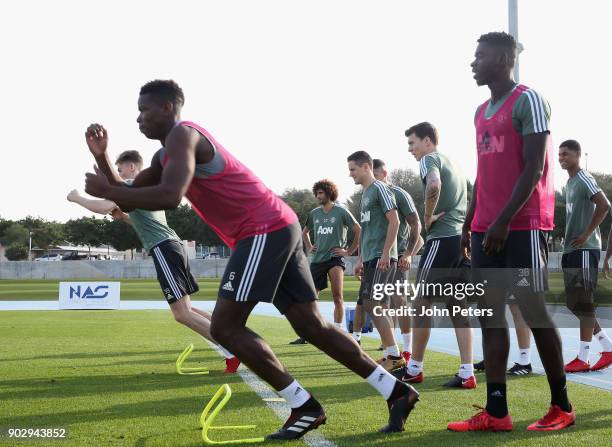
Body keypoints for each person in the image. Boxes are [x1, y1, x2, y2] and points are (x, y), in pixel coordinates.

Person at [84, 79, 419, 439]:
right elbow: (132, 199)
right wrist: (103, 157)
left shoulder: (184, 135)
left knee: (224, 327)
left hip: (262, 228)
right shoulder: (164, 154)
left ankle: (303, 406)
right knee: (311, 326)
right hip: (277, 224)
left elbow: (169, 195)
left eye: (143, 110)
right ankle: (395, 390)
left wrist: (108, 189)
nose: (138, 119)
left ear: (166, 108)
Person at [449, 31, 573, 432]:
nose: (473, 62)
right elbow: (485, 175)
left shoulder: (529, 100)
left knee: (534, 311)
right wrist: (472, 221)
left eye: (480, 56)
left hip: (522, 228)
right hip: (487, 230)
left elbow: (535, 167)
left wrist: (503, 220)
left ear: (502, 59)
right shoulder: (480, 111)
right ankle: (497, 411)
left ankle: (562, 407)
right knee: (490, 316)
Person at [69, 149, 240, 374]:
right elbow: (147, 223)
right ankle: (233, 338)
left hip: (164, 249)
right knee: (188, 309)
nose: (116, 174)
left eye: (118, 169)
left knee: (181, 314)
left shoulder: (129, 184)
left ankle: (234, 351)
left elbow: (102, 207)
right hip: (173, 246)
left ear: (131, 168)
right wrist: (123, 217)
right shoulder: (146, 189)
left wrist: (76, 197)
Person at [399, 122, 475, 389]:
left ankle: (415, 368)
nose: (410, 149)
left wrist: (427, 215)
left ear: (428, 141)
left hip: (442, 238)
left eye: (412, 143)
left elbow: (433, 185)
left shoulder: (429, 159)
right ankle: (467, 372)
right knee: (457, 304)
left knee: (421, 301)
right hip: (458, 239)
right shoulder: (454, 162)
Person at [348, 150, 407, 372]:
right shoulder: (364, 195)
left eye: (353, 169)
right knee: (373, 304)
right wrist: (360, 259)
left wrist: (385, 253)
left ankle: (394, 355)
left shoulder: (380, 189)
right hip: (370, 257)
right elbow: (366, 230)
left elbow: (395, 221)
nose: (350, 174)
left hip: (382, 258)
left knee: (375, 304)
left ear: (366, 167)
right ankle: (392, 353)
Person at [558, 139, 612, 372]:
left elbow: (604, 204)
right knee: (573, 303)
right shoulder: (569, 183)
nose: (561, 158)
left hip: (584, 249)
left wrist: (586, 234)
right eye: (559, 155)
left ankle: (583, 356)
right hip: (571, 250)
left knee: (583, 302)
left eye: (566, 154)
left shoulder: (583, 178)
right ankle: (607, 346)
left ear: (578, 155)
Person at [289, 179, 361, 345]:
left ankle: (337, 332)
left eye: (321, 193)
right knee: (309, 298)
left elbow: (358, 230)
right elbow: (304, 232)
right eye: (317, 193)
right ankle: (307, 334)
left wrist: (349, 251)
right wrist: (309, 246)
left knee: (337, 297)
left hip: (335, 259)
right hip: (317, 260)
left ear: (329, 193)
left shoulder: (341, 211)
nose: (318, 196)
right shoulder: (314, 213)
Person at [372, 159, 424, 361]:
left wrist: (409, 253)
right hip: (378, 258)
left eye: (376, 175)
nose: (373, 180)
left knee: (399, 301)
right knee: (380, 304)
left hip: (398, 256)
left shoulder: (399, 194)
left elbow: (416, 226)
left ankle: (408, 349)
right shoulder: (371, 196)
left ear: (384, 174)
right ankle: (390, 352)